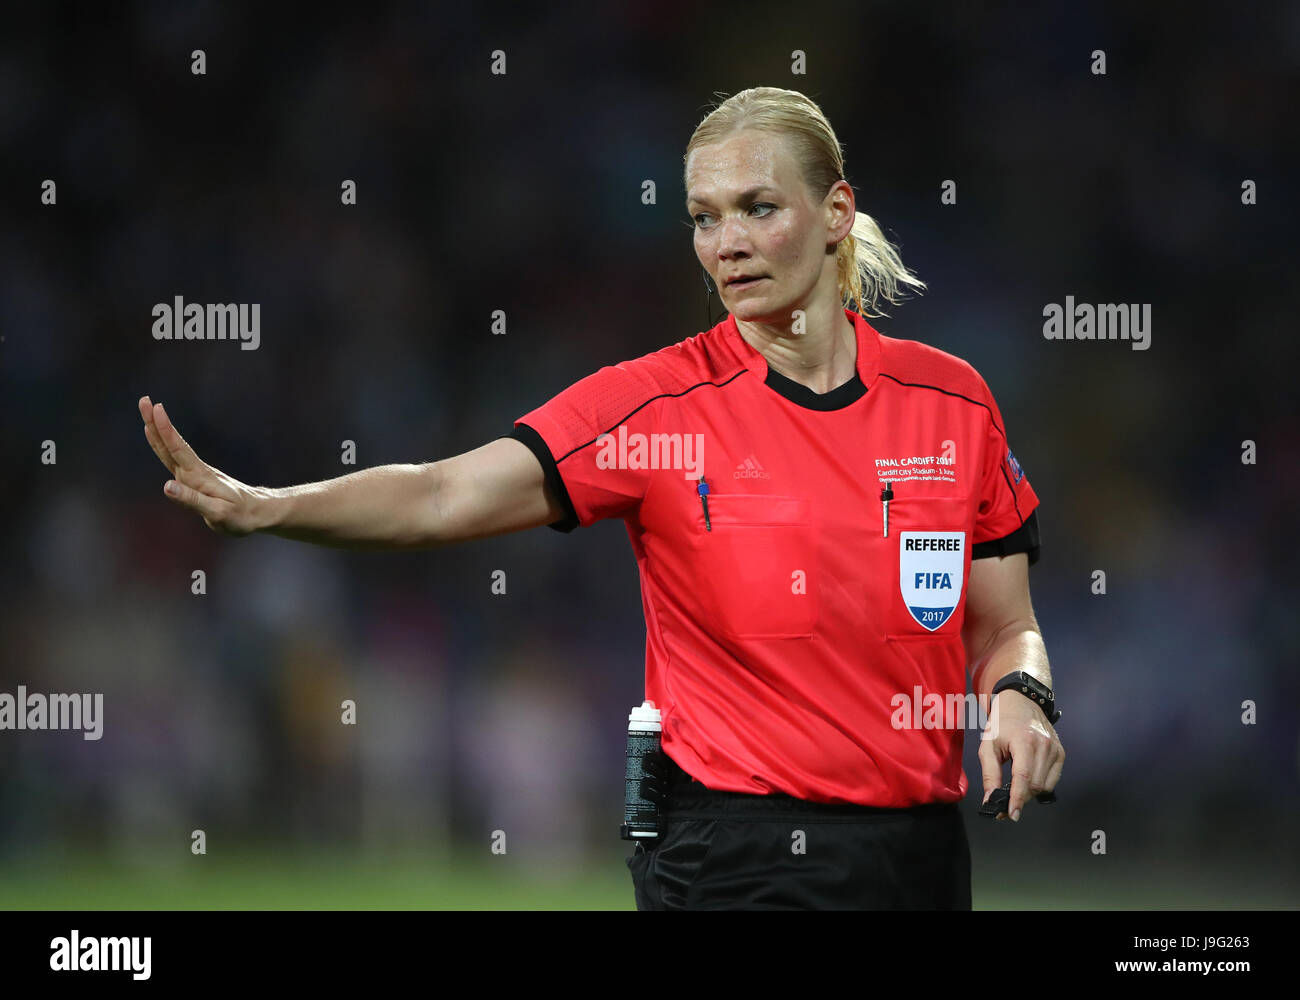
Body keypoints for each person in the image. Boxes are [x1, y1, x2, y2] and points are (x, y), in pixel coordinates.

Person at [138, 86, 1064, 911]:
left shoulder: (952, 403)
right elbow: (441, 495)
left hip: (921, 855)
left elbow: (1004, 624)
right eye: (704, 218)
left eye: (757, 209)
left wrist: (1022, 694)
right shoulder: (655, 406)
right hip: (730, 852)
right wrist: (268, 507)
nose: (727, 243)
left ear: (835, 213)